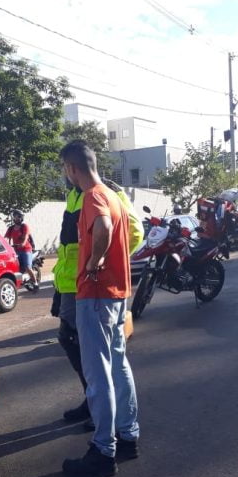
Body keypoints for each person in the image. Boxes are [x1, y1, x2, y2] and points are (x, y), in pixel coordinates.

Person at [59, 139, 140, 477]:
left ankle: (103, 451)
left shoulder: (92, 197)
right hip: (118, 294)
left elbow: (103, 228)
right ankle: (128, 434)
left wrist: (94, 261)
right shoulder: (113, 195)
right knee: (118, 365)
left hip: (95, 295)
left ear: (72, 167)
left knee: (98, 374)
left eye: (65, 168)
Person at [51, 174, 143, 430]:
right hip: (68, 282)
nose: (64, 174)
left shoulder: (107, 192)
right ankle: (92, 400)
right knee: (71, 341)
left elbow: (135, 232)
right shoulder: (74, 195)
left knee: (97, 356)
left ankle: (102, 411)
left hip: (90, 284)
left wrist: (103, 263)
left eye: (65, 168)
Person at [5, 209, 39, 291]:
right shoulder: (11, 228)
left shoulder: (24, 226)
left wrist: (22, 243)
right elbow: (6, 239)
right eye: (16, 216)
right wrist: (5, 246)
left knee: (27, 267)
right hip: (16, 250)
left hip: (26, 250)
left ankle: (35, 283)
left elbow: (26, 236)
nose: (17, 218)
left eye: (19, 217)